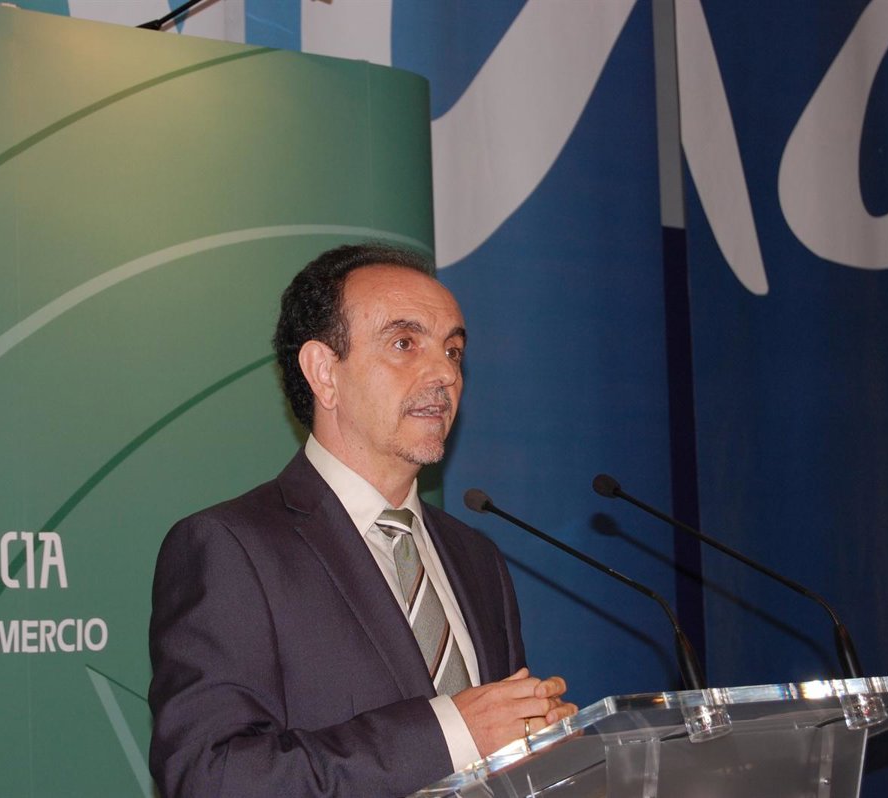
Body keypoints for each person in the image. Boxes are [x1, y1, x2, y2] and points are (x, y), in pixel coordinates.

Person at [148, 243, 575, 797]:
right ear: (323, 372)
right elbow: (213, 776)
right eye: (404, 344)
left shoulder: (476, 557)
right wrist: (451, 733)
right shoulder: (231, 547)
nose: (444, 373)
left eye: (453, 350)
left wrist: (534, 743)